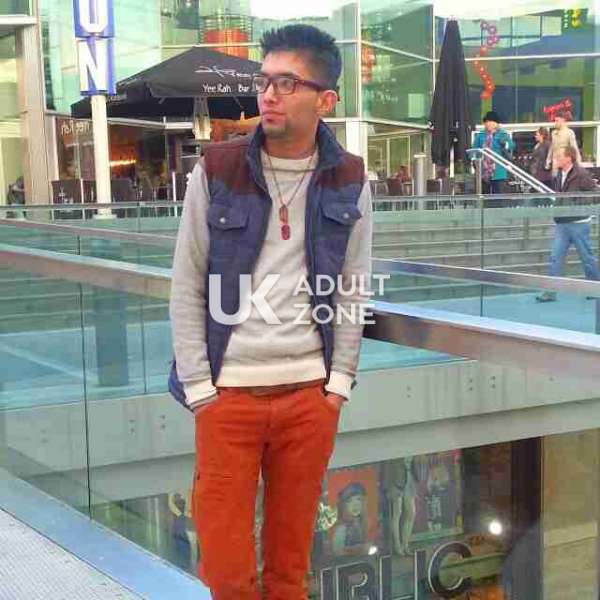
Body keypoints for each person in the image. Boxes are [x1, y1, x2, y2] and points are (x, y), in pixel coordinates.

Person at [169, 24, 372, 599]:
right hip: (227, 396)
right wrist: (200, 388)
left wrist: (338, 384)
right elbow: (187, 280)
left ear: (325, 100)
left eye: (287, 82)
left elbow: (353, 285)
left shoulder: (350, 178)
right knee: (226, 574)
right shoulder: (218, 168)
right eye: (264, 81)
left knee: (289, 571)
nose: (269, 94)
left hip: (309, 396)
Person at [536, 146, 600, 302]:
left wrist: (576, 205)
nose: (556, 159)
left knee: (586, 257)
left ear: (568, 158)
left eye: (559, 156)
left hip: (579, 222)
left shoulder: (581, 174)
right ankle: (550, 292)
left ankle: (595, 288)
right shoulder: (559, 174)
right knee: (555, 257)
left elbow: (594, 193)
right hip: (562, 222)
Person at [473, 111, 514, 195]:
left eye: (490, 121)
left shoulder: (503, 134)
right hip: (483, 173)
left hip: (499, 172)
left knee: (498, 197)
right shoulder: (480, 135)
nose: (487, 124)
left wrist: (504, 144)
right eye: (486, 122)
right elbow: (474, 151)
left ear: (496, 123)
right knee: (485, 197)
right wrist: (475, 163)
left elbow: (511, 146)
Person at [545, 110, 581, 176]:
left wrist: (578, 163)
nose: (555, 123)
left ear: (563, 120)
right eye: (554, 121)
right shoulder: (554, 133)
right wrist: (548, 161)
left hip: (565, 163)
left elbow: (574, 148)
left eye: (557, 121)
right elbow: (551, 148)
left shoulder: (569, 132)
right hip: (555, 164)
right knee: (555, 180)